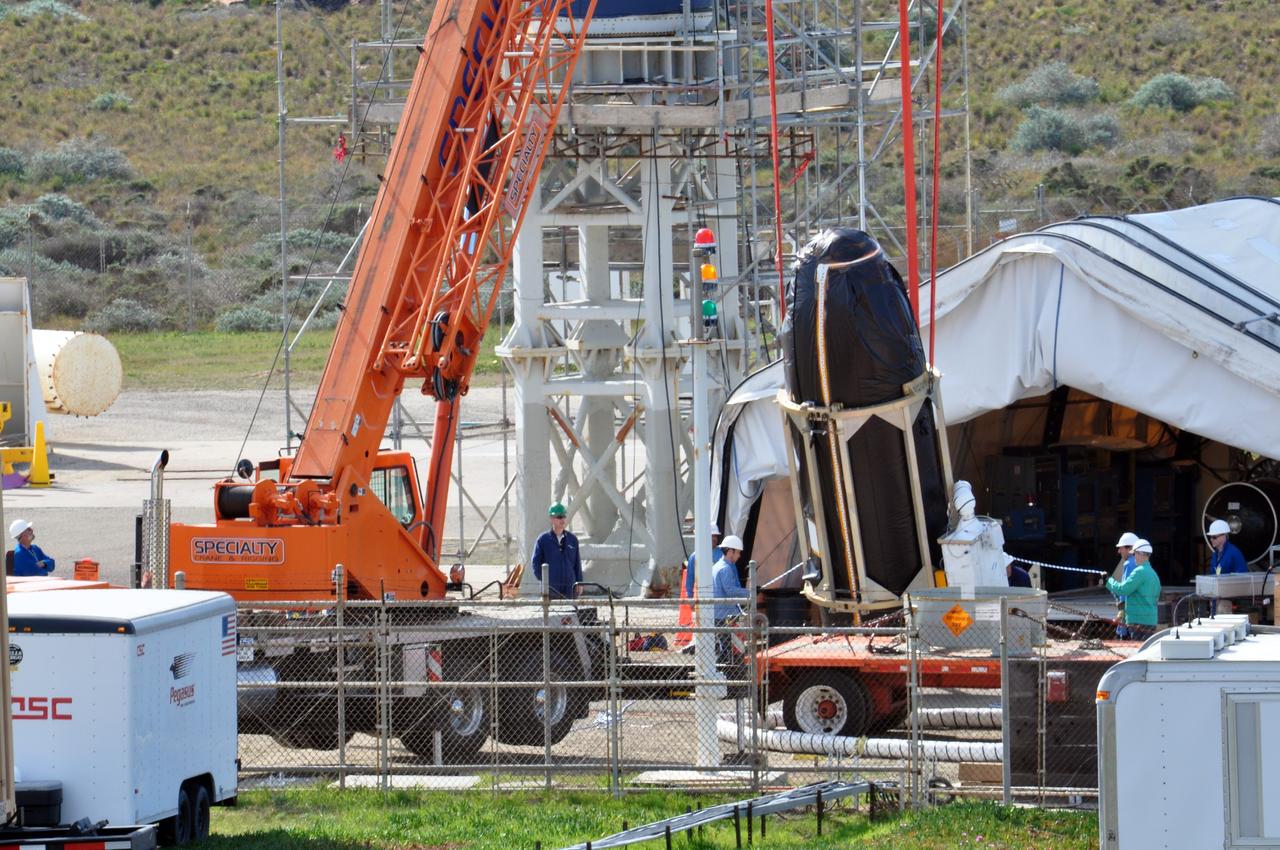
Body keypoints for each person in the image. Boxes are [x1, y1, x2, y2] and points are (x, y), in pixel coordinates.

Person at [1105, 539, 1160, 634]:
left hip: (1138, 622)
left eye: (1134, 554)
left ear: (1140, 554)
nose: (1134, 558)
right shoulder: (1153, 574)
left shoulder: (1139, 572)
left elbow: (1123, 590)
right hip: (1151, 621)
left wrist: (1108, 580)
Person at [711, 535, 752, 663]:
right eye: (738, 552)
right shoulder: (725, 569)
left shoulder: (717, 566)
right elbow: (730, 590)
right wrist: (750, 592)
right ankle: (733, 675)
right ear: (730, 552)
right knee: (734, 650)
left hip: (719, 615)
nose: (739, 556)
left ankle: (723, 673)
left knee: (726, 649)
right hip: (726, 616)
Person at [529, 502, 582, 599]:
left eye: (564, 516)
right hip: (551, 591)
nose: (562, 519)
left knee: (571, 614)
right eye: (559, 517)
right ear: (552, 518)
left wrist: (579, 582)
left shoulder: (572, 539)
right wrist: (545, 582)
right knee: (551, 613)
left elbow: (577, 564)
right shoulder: (543, 540)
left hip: (570, 589)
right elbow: (535, 563)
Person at [1111, 531, 1140, 638]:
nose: (1119, 551)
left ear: (1129, 548)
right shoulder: (1140, 563)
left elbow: (1125, 590)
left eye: (1121, 548)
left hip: (1130, 615)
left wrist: (1109, 583)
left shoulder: (1129, 563)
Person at [684, 524, 724, 599]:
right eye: (712, 536)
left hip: (721, 597)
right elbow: (690, 578)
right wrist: (689, 597)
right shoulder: (694, 556)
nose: (714, 538)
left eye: (715, 536)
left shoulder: (722, 554)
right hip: (702, 596)